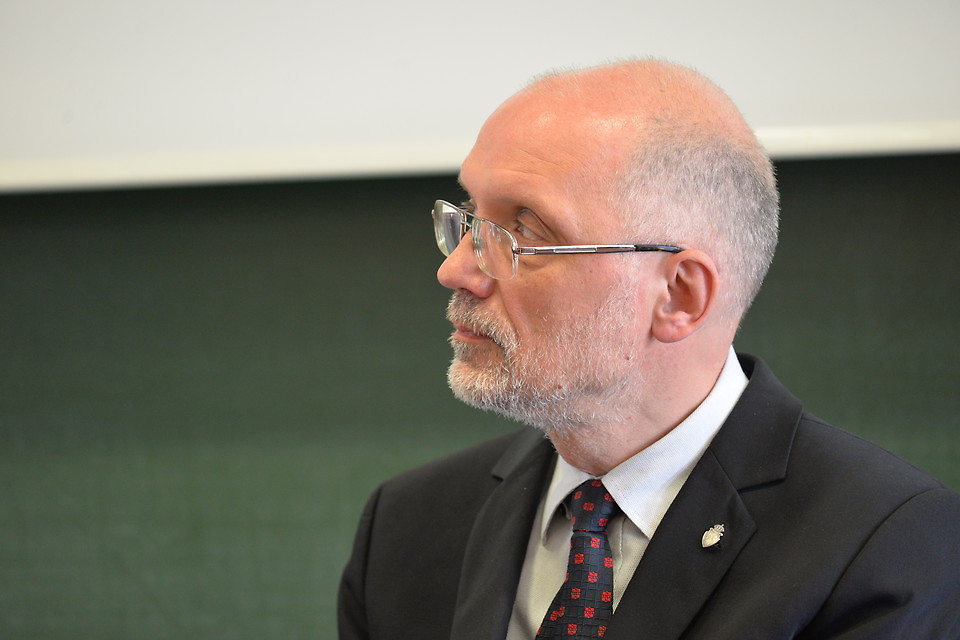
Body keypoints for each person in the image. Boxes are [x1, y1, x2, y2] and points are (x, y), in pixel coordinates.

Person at [337, 59, 960, 639]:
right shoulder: (406, 526)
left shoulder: (886, 547)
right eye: (470, 218)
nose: (456, 270)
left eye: (523, 230)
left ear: (679, 295)